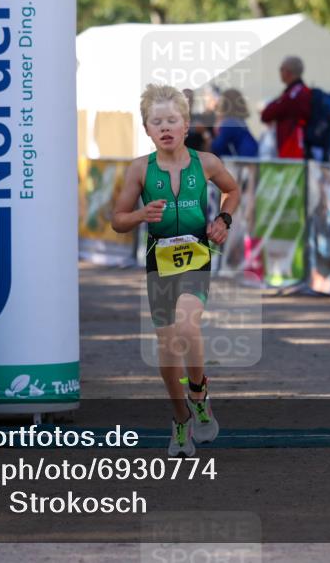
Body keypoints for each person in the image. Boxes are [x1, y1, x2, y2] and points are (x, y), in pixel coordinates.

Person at [111, 84, 240, 457]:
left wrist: (224, 219)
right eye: (157, 122)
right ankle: (181, 419)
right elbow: (118, 220)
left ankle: (199, 392)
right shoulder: (140, 169)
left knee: (188, 325)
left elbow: (233, 191)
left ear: (186, 125)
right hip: (159, 262)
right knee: (168, 347)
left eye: (172, 120)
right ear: (147, 129)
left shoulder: (207, 163)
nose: (165, 127)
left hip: (197, 255)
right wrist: (140, 215)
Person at [261, 56, 310, 159]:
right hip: (293, 148)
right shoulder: (297, 91)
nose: (280, 73)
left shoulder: (294, 94)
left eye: (281, 69)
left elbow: (267, 114)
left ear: (288, 72)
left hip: (292, 148)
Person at [211, 88, 258, 158]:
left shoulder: (229, 123)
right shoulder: (240, 121)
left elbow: (217, 147)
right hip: (252, 156)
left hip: (244, 160)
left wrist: (207, 137)